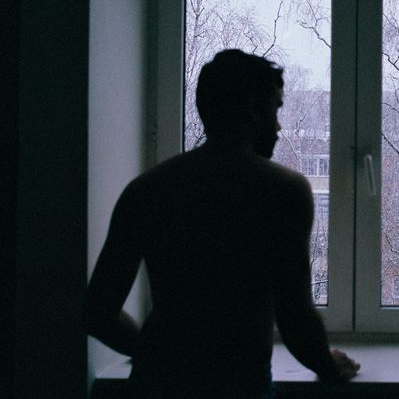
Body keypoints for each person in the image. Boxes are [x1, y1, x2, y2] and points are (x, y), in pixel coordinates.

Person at [85, 49, 360, 398]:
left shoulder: (147, 190)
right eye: (275, 109)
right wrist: (327, 365)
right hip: (239, 385)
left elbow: (97, 313)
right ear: (250, 108)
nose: (278, 125)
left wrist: (157, 355)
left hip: (155, 383)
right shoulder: (282, 191)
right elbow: (295, 317)